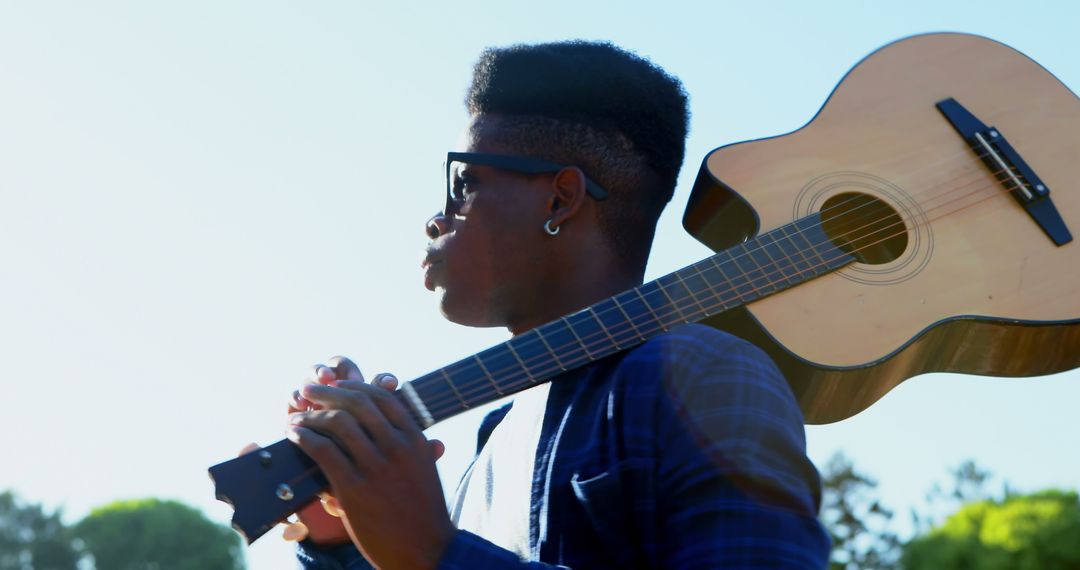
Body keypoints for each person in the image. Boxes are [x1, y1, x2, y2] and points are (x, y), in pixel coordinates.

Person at [284, 41, 832, 569]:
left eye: (464, 182)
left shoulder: (703, 376)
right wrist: (345, 536)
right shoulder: (493, 442)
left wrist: (433, 553)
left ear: (560, 199)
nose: (436, 217)